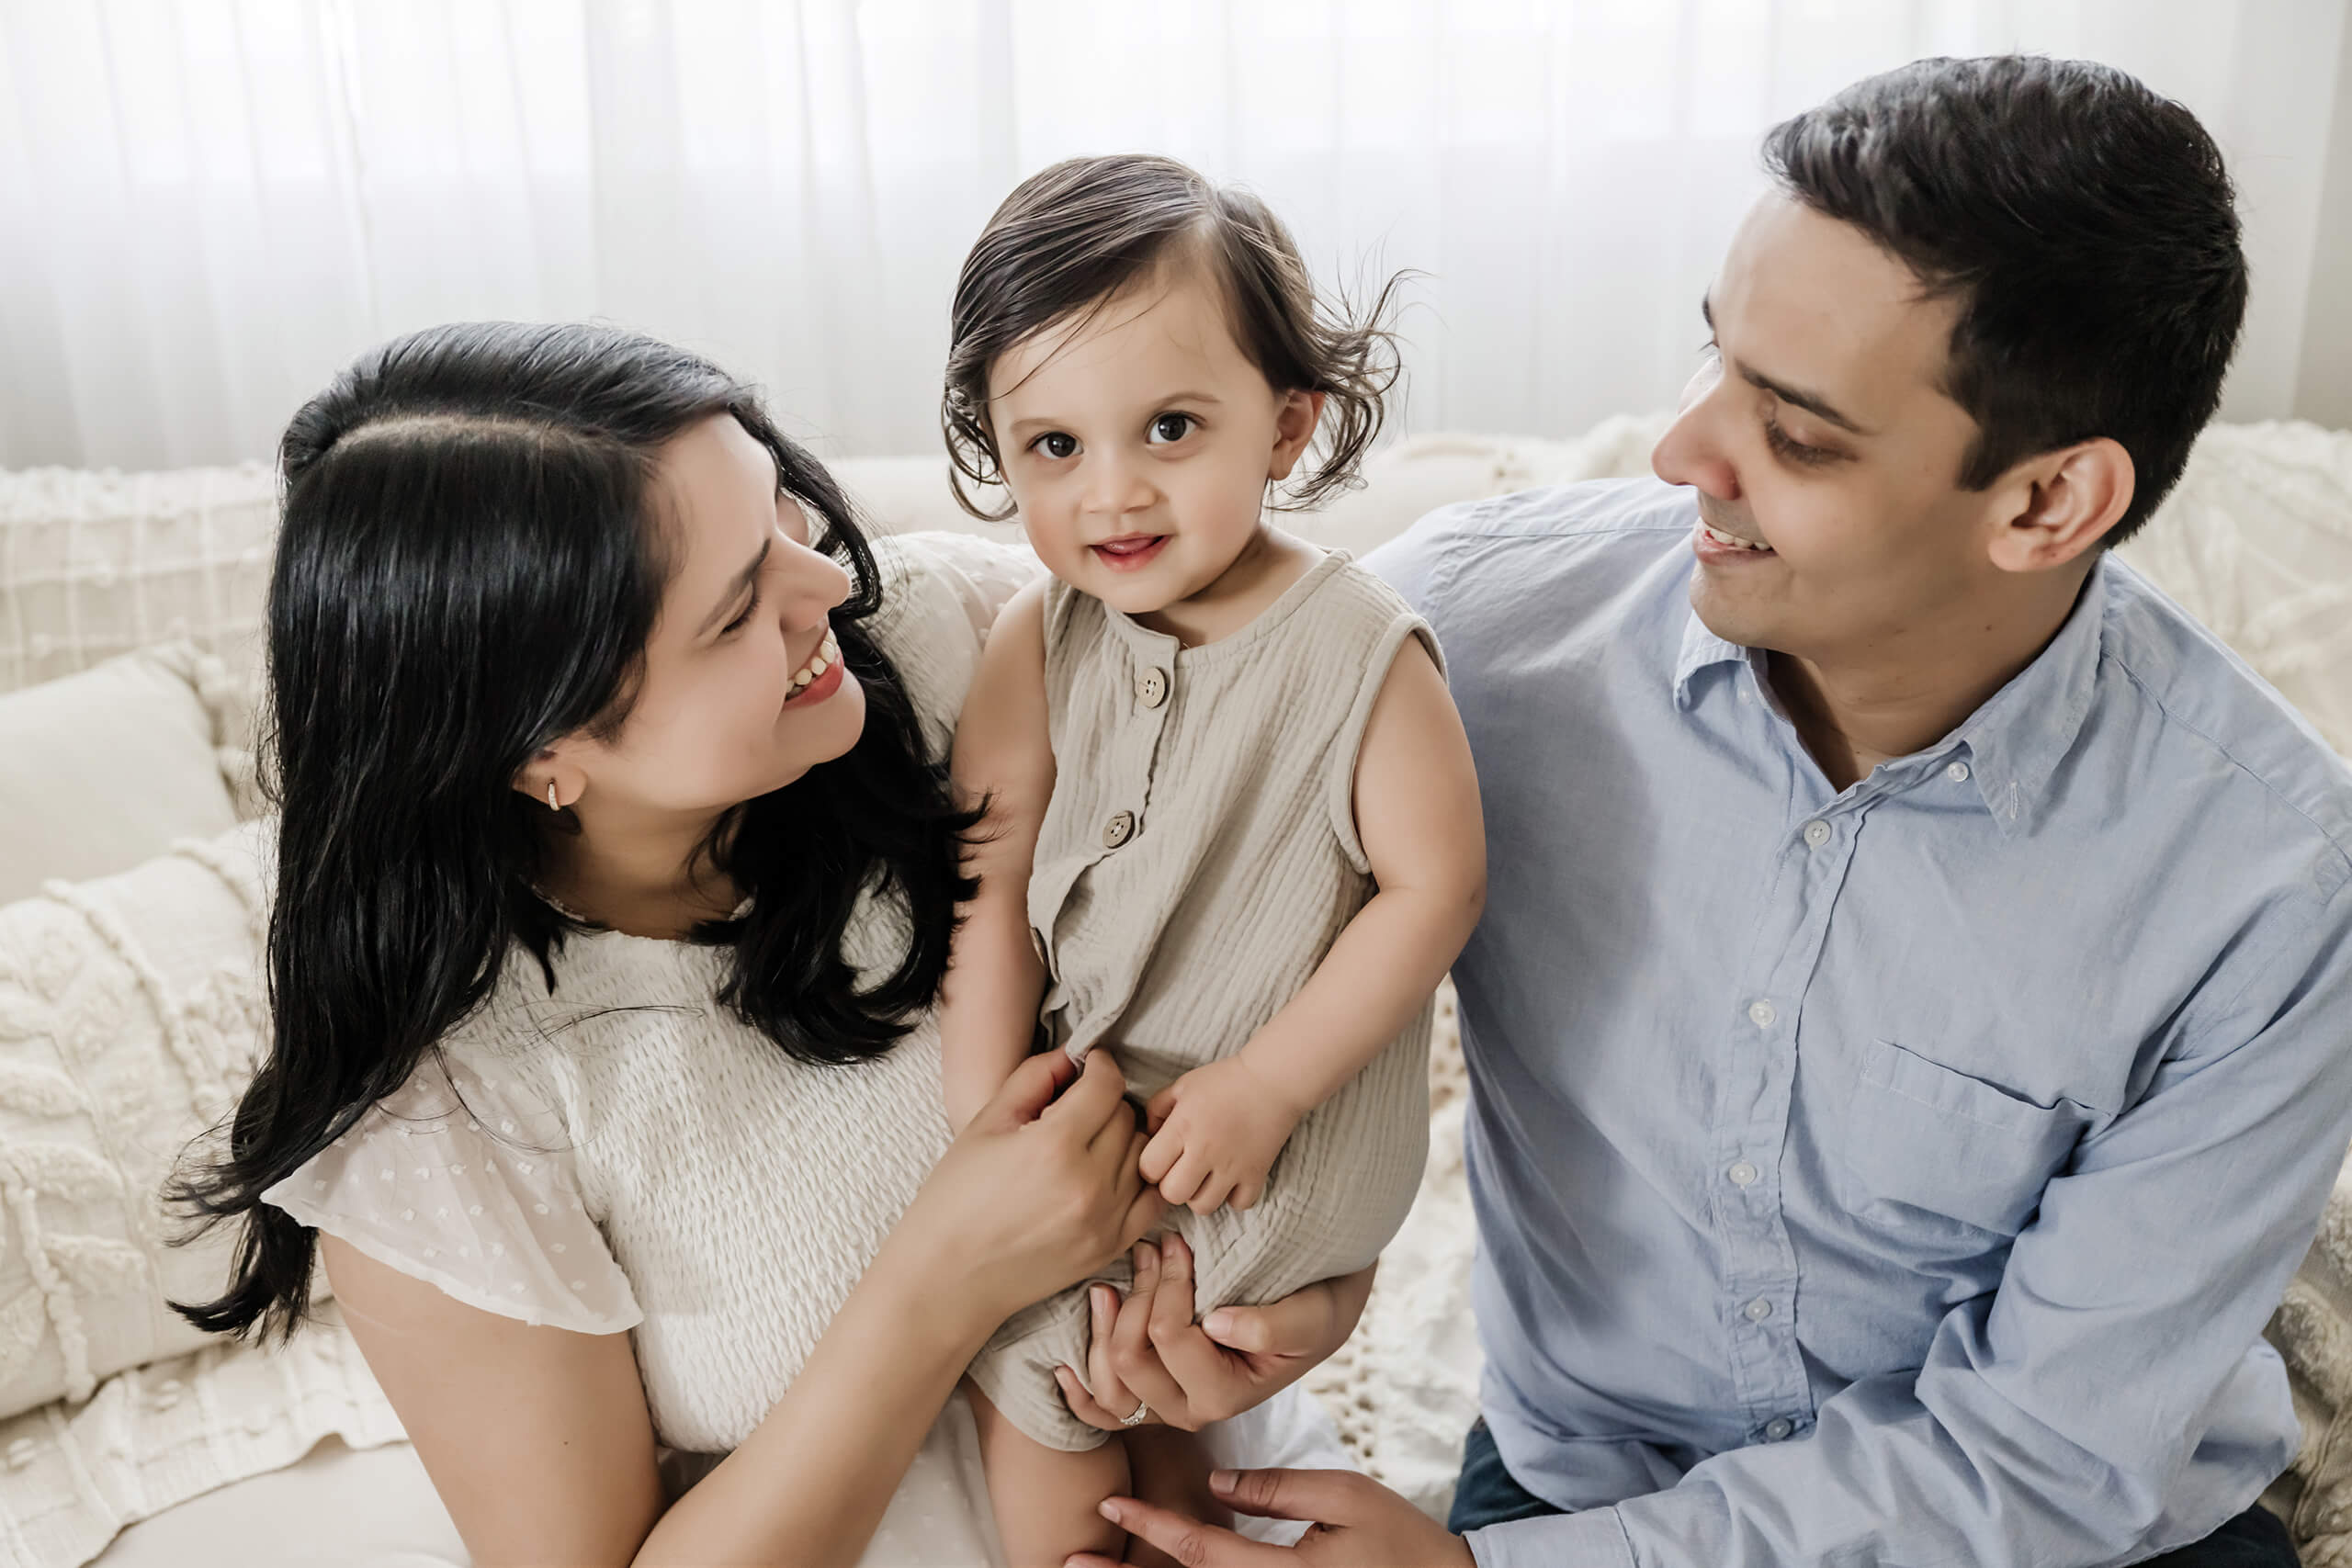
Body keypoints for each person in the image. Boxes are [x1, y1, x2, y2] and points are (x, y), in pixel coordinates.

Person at [1075, 54, 2352, 1568]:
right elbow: (1129, 816)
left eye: (1797, 432)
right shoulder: (1460, 635)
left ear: (2047, 506)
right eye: (1714, 359)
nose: (1683, 452)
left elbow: (2051, 1456)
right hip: (1589, 1482)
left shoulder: (2271, 878)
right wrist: (1302, 1290)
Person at [167, 320, 1372, 1567]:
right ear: (539, 752)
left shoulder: (966, 643)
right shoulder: (451, 1111)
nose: (835, 588)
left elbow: (1301, 963)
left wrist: (1308, 1308)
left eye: (788, 513)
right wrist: (944, 1280)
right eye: (742, 606)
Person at [933, 154, 1486, 1563]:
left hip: (1277, 1130)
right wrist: (983, 1126)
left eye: (1169, 427)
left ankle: (1101, 1538)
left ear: (1287, 426)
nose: (1111, 494)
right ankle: (1145, 1524)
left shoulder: (1362, 649)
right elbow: (984, 891)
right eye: (1053, 446)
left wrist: (1267, 1085)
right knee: (1057, 1306)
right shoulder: (1034, 639)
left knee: (1052, 1354)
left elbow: (1438, 890)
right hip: (1118, 1105)